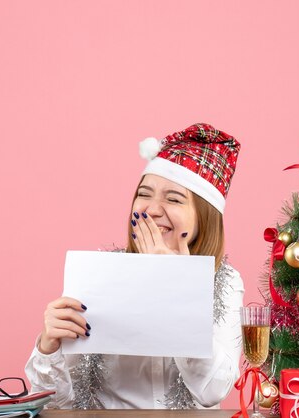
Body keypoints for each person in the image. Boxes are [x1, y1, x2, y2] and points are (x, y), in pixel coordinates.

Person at [25, 123, 244, 409]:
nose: (152, 209)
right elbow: (54, 404)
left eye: (173, 198)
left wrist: (176, 285)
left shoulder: (226, 282)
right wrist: (48, 347)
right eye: (144, 194)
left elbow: (213, 391)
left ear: (204, 217)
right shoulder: (100, 275)